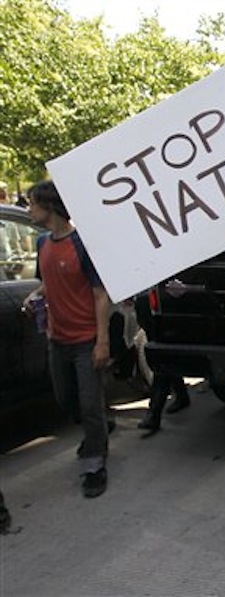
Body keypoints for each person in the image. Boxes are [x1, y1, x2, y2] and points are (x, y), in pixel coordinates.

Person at [23, 181, 112, 499]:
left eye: (32, 203)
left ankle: (94, 465)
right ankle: (99, 426)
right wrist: (37, 294)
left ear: (50, 207)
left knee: (89, 404)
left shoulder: (82, 244)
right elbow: (49, 280)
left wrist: (102, 342)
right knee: (66, 400)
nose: (29, 209)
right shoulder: (42, 242)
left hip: (86, 339)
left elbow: (100, 294)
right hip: (57, 339)